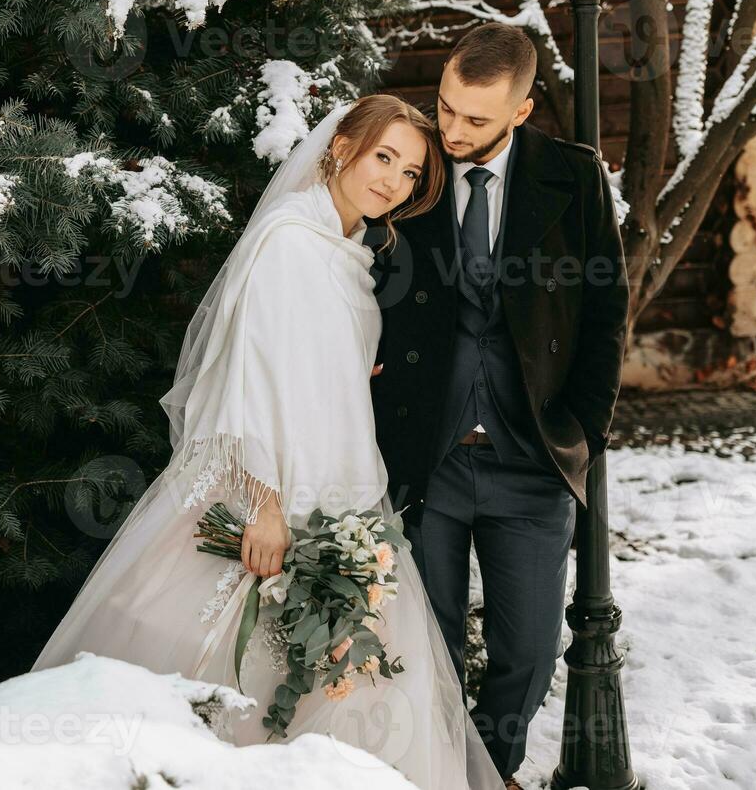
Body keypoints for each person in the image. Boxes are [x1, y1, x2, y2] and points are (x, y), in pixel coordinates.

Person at [32, 94, 505, 788]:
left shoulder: (346, 246)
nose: (394, 181)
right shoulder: (290, 242)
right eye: (384, 157)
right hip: (271, 490)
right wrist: (266, 505)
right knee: (239, 678)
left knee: (349, 681)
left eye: (409, 173)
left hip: (342, 484)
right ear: (341, 146)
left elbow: (306, 362)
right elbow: (250, 379)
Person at [369, 23, 629, 789]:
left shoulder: (572, 178)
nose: (450, 131)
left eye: (475, 120)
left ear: (520, 111)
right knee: (432, 644)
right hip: (429, 455)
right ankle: (457, 779)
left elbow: (605, 316)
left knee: (527, 653)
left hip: (533, 461)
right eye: (445, 107)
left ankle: (491, 768)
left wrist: (581, 431)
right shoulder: (419, 171)